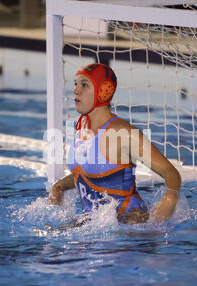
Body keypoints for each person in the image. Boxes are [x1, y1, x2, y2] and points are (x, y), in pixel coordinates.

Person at [49, 63, 181, 224]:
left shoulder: (123, 133)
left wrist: (170, 197)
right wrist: (60, 185)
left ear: (104, 91)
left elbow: (170, 171)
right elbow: (85, 174)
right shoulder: (82, 129)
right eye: (76, 84)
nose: (76, 90)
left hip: (130, 225)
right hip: (95, 224)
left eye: (84, 85)